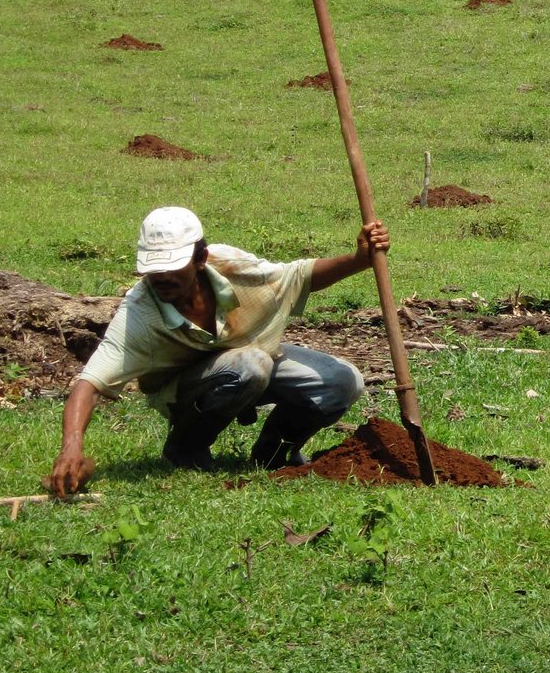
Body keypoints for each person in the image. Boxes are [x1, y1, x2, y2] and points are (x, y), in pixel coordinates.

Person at [49, 206, 389, 493]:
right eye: (153, 268)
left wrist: (358, 260)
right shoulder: (140, 313)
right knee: (250, 365)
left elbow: (298, 276)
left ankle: (274, 451)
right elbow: (89, 383)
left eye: (172, 265)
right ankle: (187, 447)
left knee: (343, 381)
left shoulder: (231, 266)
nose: (161, 277)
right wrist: (72, 446)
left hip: (251, 361)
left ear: (200, 258)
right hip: (191, 391)